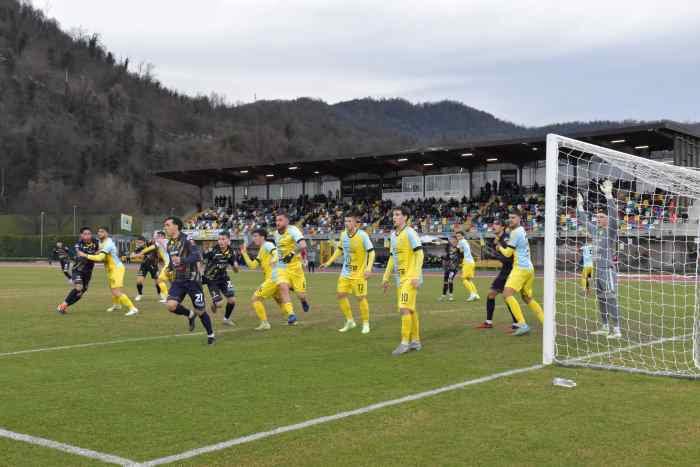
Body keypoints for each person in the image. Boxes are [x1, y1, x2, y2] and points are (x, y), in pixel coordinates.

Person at [577, 180, 621, 339]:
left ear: (607, 220)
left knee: (610, 298)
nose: (598, 219)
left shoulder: (610, 231)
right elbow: (583, 221)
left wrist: (609, 195)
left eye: (601, 217)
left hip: (608, 269)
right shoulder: (595, 231)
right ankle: (605, 326)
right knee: (601, 299)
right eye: (597, 216)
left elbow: (614, 216)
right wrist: (580, 206)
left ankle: (617, 329)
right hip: (597, 270)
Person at [163, 217, 216, 345]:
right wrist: (169, 268)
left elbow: (197, 256)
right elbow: (172, 260)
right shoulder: (170, 243)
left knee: (201, 311)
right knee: (170, 305)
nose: (165, 227)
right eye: (165, 225)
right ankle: (190, 314)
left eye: (167, 225)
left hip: (193, 280)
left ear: (176, 226)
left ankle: (211, 335)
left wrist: (182, 260)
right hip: (178, 280)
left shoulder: (187, 240)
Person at [321, 211, 375, 334]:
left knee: (360, 297)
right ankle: (350, 321)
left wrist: (368, 268)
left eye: (349, 221)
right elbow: (339, 250)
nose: (347, 223)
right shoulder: (343, 234)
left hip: (359, 274)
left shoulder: (363, 235)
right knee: (340, 295)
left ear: (356, 222)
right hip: (345, 272)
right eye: (345, 221)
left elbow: (372, 252)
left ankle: (366, 323)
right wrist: (328, 262)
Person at [382, 206, 424, 356]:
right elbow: (392, 258)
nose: (394, 217)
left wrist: (416, 276)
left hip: (410, 277)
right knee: (410, 309)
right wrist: (386, 277)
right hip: (400, 279)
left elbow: (420, 254)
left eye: (398, 215)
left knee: (404, 308)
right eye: (393, 215)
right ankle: (416, 341)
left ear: (405, 217)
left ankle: (405, 343)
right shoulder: (393, 235)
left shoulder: (410, 233)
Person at [496, 210, 545, 336]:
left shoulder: (515, 233)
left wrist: (499, 247)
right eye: (509, 217)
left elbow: (507, 253)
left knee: (507, 294)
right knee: (527, 298)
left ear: (519, 219)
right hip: (529, 268)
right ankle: (546, 322)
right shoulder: (522, 230)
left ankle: (522, 324)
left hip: (521, 269)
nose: (510, 219)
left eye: (513, 217)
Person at [77, 226, 139, 316]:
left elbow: (100, 257)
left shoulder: (108, 243)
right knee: (113, 289)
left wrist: (85, 255)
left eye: (102, 232)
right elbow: (102, 257)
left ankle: (133, 308)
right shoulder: (101, 243)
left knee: (116, 291)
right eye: (98, 232)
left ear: (107, 233)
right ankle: (117, 305)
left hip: (117, 269)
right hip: (111, 269)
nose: (99, 233)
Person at [239, 228, 288, 330]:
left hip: (273, 279)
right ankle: (291, 318)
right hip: (274, 278)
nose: (254, 238)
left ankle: (265, 323)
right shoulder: (262, 249)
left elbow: (276, 253)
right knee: (279, 300)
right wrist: (244, 253)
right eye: (253, 236)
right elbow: (252, 265)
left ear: (262, 237)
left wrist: (274, 259)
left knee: (255, 298)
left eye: (256, 236)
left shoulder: (267, 245)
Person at [476, 219, 518, 329]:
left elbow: (509, 257)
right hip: (505, 269)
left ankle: (517, 323)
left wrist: (496, 256)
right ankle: (489, 322)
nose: (494, 226)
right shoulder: (497, 240)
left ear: (503, 227)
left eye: (497, 224)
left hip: (512, 270)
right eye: (493, 224)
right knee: (492, 294)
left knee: (508, 296)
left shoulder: (506, 238)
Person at [274, 211, 309, 322]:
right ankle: (291, 314)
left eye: (280, 220)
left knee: (301, 295)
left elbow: (303, 245)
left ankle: (303, 301)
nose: (277, 222)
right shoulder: (275, 234)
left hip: (296, 268)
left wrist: (292, 254)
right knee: (282, 287)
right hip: (282, 267)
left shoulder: (293, 230)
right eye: (276, 220)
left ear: (287, 221)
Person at [56, 227, 99, 314]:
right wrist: (94, 254)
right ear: (81, 235)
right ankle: (62, 305)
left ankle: (63, 307)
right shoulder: (78, 244)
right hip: (78, 270)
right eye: (85, 234)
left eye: (89, 234)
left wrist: (94, 254)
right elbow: (81, 255)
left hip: (88, 272)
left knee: (80, 294)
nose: (88, 236)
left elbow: (99, 252)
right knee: (78, 287)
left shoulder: (96, 242)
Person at [202, 233, 239, 326]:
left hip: (224, 278)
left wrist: (235, 266)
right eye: (219, 239)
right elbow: (202, 260)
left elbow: (235, 269)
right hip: (212, 279)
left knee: (232, 300)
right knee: (219, 304)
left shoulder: (231, 251)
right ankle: (215, 304)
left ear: (228, 240)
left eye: (223, 239)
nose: (220, 241)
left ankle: (226, 319)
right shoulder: (213, 250)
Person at [131, 236, 160, 302]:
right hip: (144, 265)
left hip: (153, 265)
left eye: (140, 242)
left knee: (158, 282)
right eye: (138, 242)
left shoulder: (151, 245)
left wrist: (139, 255)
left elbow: (154, 248)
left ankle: (160, 294)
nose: (139, 244)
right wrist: (135, 255)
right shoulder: (139, 247)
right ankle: (139, 294)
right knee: (139, 281)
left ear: (144, 242)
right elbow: (132, 254)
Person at [455, 231, 480, 301]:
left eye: (459, 236)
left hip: (467, 262)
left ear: (463, 236)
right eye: (457, 236)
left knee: (464, 279)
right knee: (469, 279)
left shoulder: (461, 242)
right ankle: (476, 294)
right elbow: (461, 251)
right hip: (471, 262)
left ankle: (472, 294)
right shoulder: (465, 241)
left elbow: (457, 250)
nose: (458, 237)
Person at [438, 237, 460, 302]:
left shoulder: (458, 249)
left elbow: (460, 257)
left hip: (454, 268)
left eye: (455, 241)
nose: (453, 242)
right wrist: (441, 257)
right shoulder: (448, 249)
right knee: (445, 282)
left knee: (450, 280)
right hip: (447, 268)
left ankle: (451, 296)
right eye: (452, 241)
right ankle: (443, 296)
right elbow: (447, 258)